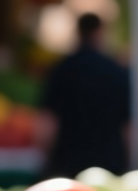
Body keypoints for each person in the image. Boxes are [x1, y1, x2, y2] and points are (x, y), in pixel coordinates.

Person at [38, 12, 130, 176]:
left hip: (68, 161)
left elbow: (48, 122)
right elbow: (128, 127)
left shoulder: (62, 69)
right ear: (100, 32)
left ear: (78, 32)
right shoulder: (116, 71)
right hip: (109, 162)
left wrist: (47, 159)